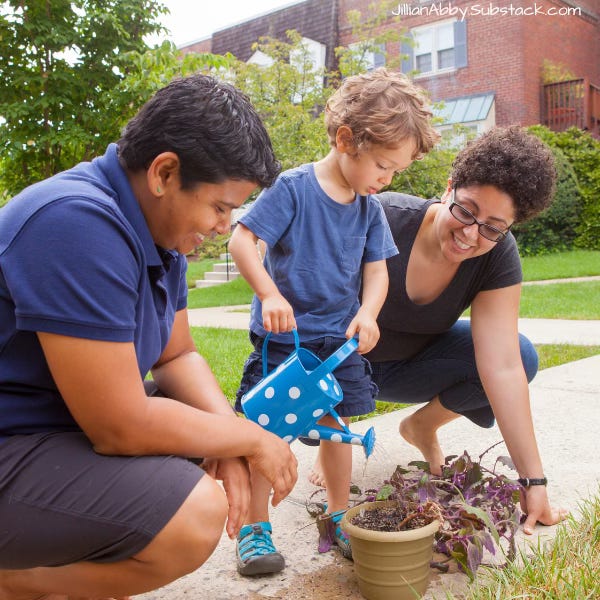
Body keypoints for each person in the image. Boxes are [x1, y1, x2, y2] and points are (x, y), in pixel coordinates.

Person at [0, 74, 298, 600]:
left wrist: (226, 434)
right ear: (164, 172)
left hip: (50, 430)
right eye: (220, 206)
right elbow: (121, 426)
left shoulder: (160, 235)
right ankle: (24, 585)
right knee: (193, 516)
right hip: (14, 442)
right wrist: (251, 440)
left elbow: (176, 353)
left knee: (200, 440)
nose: (224, 226)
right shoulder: (75, 222)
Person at [227, 68, 440, 574]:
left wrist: (368, 312)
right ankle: (256, 529)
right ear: (346, 140)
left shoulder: (369, 208)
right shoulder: (294, 188)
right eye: (384, 165)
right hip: (286, 343)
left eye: (396, 171)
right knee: (268, 432)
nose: (387, 179)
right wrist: (269, 293)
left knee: (336, 430)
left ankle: (339, 517)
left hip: (336, 343)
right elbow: (241, 240)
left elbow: (377, 273)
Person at [309, 125, 568, 535]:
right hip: (341, 366)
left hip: (411, 369)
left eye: (493, 227)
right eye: (465, 211)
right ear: (448, 189)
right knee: (312, 408)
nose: (470, 234)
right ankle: (327, 435)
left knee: (521, 355)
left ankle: (421, 426)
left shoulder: (497, 257)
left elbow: (501, 366)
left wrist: (532, 482)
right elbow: (312, 315)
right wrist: (331, 436)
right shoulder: (382, 217)